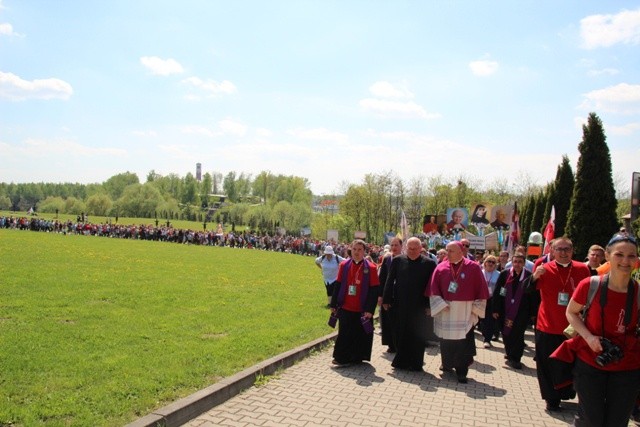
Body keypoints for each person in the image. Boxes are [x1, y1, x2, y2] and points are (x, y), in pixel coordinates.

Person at [552, 234, 640, 426]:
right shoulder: (591, 285)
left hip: (627, 366)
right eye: (619, 254)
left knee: (617, 421)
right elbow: (572, 313)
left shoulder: (638, 292)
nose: (625, 261)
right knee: (590, 419)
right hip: (590, 361)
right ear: (607, 256)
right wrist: (589, 337)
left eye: (631, 256)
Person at [526, 237, 591, 412]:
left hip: (573, 328)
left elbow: (590, 297)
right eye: (559, 249)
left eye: (567, 249)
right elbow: (528, 290)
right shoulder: (544, 269)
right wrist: (534, 277)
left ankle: (566, 392)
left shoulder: (582, 269)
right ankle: (551, 398)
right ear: (552, 251)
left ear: (572, 250)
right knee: (547, 364)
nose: (563, 252)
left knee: (570, 364)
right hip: (547, 325)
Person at [429, 241, 489, 383]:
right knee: (446, 342)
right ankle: (447, 364)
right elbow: (433, 289)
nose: (447, 254)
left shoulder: (473, 268)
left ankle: (462, 371)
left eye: (451, 251)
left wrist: (475, 310)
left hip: (465, 312)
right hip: (446, 310)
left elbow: (481, 291)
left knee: (463, 343)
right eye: (447, 250)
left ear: (461, 252)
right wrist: (441, 304)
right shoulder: (440, 267)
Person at [382, 237, 436, 371]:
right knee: (400, 333)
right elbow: (389, 280)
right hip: (400, 304)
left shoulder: (429, 264)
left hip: (420, 306)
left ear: (420, 249)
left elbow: (432, 286)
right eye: (409, 248)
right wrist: (386, 299)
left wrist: (430, 305)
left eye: (415, 248)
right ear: (406, 248)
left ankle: (416, 363)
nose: (412, 251)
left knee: (418, 335)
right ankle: (401, 361)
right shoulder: (398, 261)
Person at [330, 239, 380, 366]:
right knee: (345, 333)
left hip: (362, 309)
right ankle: (341, 358)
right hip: (346, 306)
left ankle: (357, 357)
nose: (356, 252)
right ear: (350, 250)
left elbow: (374, 290)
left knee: (360, 334)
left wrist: (370, 310)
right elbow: (338, 285)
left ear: (364, 252)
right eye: (354, 249)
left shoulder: (371, 268)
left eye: (359, 250)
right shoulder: (344, 265)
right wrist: (333, 304)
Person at [492, 253, 534, 369]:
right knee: (506, 333)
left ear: (524, 263)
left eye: (520, 262)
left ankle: (516, 358)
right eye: (515, 262)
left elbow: (533, 296)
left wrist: (532, 313)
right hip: (504, 310)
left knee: (518, 334)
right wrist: (495, 309)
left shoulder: (529, 276)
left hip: (521, 312)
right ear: (512, 262)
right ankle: (509, 353)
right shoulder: (505, 274)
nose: (517, 264)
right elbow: (498, 291)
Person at [378, 237, 402, 353]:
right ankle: (391, 345)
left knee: (398, 321)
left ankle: (399, 344)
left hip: (400, 296)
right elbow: (382, 278)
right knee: (388, 321)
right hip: (388, 294)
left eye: (396, 245)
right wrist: (380, 295)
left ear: (401, 246)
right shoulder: (387, 259)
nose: (394, 248)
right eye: (392, 245)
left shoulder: (404, 259)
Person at [480, 255, 500, 348]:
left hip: (493, 300)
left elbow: (502, 289)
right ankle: (484, 335)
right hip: (481, 298)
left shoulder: (499, 274)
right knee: (482, 320)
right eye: (489, 261)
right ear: (485, 263)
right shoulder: (479, 273)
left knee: (490, 320)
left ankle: (487, 339)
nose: (490, 264)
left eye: (493, 262)